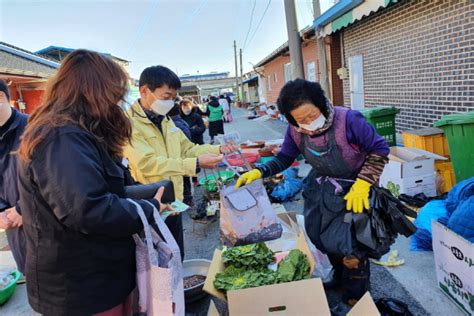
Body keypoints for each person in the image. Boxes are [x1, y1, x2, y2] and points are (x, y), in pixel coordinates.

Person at [17, 50, 170, 315]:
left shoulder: (80, 132)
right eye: (114, 93)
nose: (118, 101)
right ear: (94, 90)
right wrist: (148, 210)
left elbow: (104, 191)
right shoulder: (61, 137)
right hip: (81, 288)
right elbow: (89, 209)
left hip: (103, 275)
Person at [236, 79, 389, 306]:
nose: (308, 123)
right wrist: (260, 172)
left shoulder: (349, 120)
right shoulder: (296, 131)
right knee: (322, 239)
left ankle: (358, 295)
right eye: (300, 120)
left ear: (321, 104)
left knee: (352, 248)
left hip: (355, 191)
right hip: (322, 190)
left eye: (311, 115)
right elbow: (285, 157)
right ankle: (339, 277)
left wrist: (363, 183)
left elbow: (379, 149)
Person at [123, 66, 237, 259]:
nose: (170, 102)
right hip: (150, 205)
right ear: (144, 91)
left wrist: (219, 149)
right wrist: (195, 164)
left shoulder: (166, 121)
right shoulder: (129, 124)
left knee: (177, 255)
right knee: (158, 263)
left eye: (173, 98)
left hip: (174, 203)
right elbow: (146, 164)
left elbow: (188, 148)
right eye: (166, 96)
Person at [0, 80, 27, 275]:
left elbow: (55, 180)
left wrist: (24, 208)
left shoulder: (33, 128)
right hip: (15, 232)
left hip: (45, 229)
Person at [180, 98, 206, 186]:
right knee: (188, 162)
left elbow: (202, 128)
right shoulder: (180, 117)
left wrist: (191, 131)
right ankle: (189, 181)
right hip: (185, 144)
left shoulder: (196, 116)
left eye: (188, 107)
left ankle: (195, 180)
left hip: (197, 141)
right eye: (184, 107)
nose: (186, 109)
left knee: (196, 162)